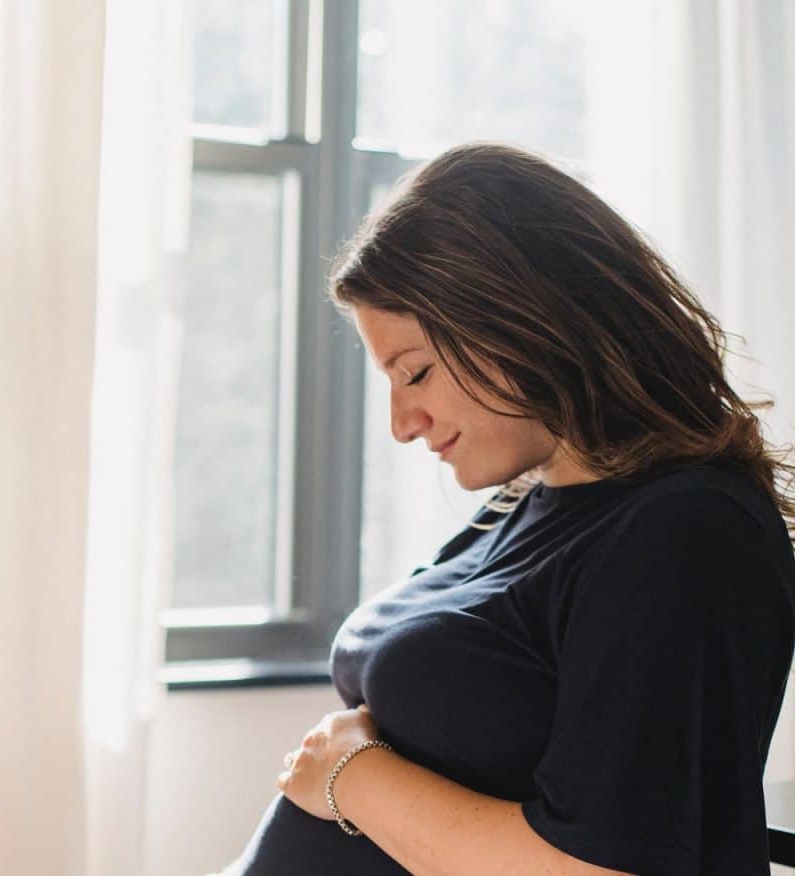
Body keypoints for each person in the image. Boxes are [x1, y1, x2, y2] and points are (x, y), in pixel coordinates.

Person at [219, 141, 795, 875]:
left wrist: (352, 775)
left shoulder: (685, 534)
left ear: (523, 320)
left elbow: (605, 867)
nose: (403, 423)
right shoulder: (527, 500)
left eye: (415, 372)